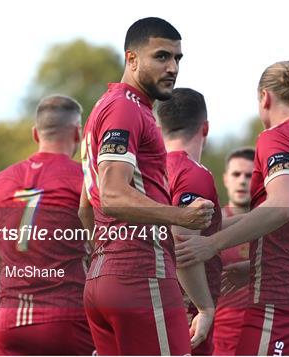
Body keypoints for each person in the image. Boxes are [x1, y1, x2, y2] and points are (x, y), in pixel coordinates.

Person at [175, 60, 289, 355]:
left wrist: (211, 244)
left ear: (264, 98)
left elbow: (282, 207)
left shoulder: (276, 138)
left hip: (283, 306)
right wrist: (256, 268)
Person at [80, 18, 215, 355]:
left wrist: (107, 258)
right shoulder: (126, 109)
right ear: (132, 59)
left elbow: (86, 205)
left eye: (177, 58)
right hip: (141, 274)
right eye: (161, 56)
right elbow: (111, 195)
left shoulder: (104, 108)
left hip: (102, 276)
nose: (172, 67)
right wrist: (180, 216)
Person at [0, 95, 94, 355]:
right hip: (67, 318)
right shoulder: (84, 179)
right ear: (77, 134)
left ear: (36, 134)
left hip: (9, 324)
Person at [157, 87, 222, 355]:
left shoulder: (144, 170)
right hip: (184, 312)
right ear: (204, 128)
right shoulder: (191, 174)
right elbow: (182, 243)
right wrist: (205, 307)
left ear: (158, 126)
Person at [212, 147, 255, 356]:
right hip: (219, 336)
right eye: (236, 174)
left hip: (265, 330)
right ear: (226, 179)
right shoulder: (210, 226)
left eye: (249, 175)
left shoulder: (276, 225)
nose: (242, 181)